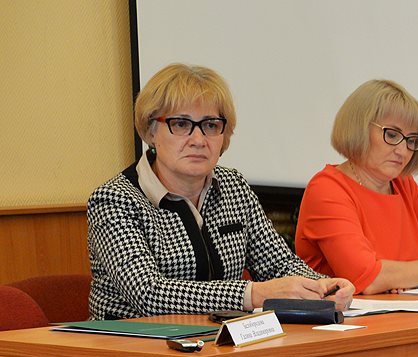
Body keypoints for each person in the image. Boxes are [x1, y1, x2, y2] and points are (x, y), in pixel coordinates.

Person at [87, 64, 353, 320]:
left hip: (218, 339)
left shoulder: (233, 186)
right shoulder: (114, 200)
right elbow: (148, 293)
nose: (198, 139)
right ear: (151, 131)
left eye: (211, 125)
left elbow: (278, 264)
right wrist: (252, 294)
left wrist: (324, 287)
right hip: (131, 343)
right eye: (181, 124)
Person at [295, 80, 418, 294]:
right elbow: (366, 278)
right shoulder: (327, 189)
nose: (403, 151)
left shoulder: (403, 184)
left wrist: (404, 278)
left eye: (411, 140)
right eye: (392, 135)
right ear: (359, 128)